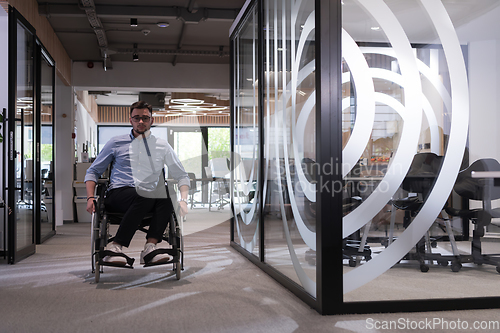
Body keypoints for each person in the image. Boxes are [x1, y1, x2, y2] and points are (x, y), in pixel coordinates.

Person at [85, 101, 190, 266]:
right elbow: (93, 171)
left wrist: (183, 200)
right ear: (130, 120)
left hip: (149, 196)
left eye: (145, 118)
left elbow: (182, 175)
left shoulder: (162, 146)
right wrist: (90, 197)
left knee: (166, 194)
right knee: (150, 192)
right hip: (119, 195)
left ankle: (150, 248)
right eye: (137, 118)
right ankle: (116, 245)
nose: (141, 122)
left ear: (151, 121)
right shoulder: (115, 143)